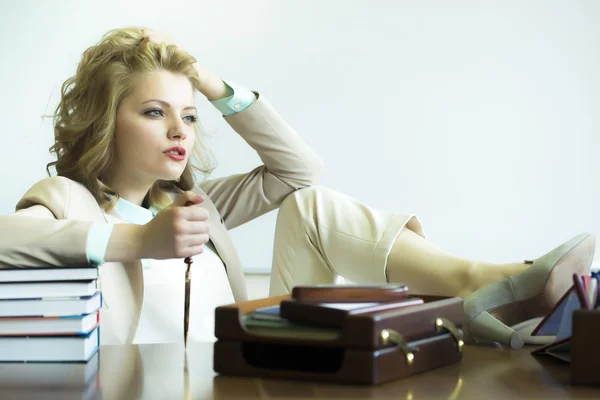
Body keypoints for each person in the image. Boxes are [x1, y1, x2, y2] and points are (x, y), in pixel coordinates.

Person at [0, 27, 595, 348]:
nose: (180, 128)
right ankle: (502, 299)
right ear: (107, 120)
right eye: (155, 112)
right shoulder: (70, 202)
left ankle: (484, 287)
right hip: (172, 381)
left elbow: (297, 171)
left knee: (311, 203)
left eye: (189, 114)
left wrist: (210, 82)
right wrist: (138, 242)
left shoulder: (195, 207)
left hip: (248, 357)